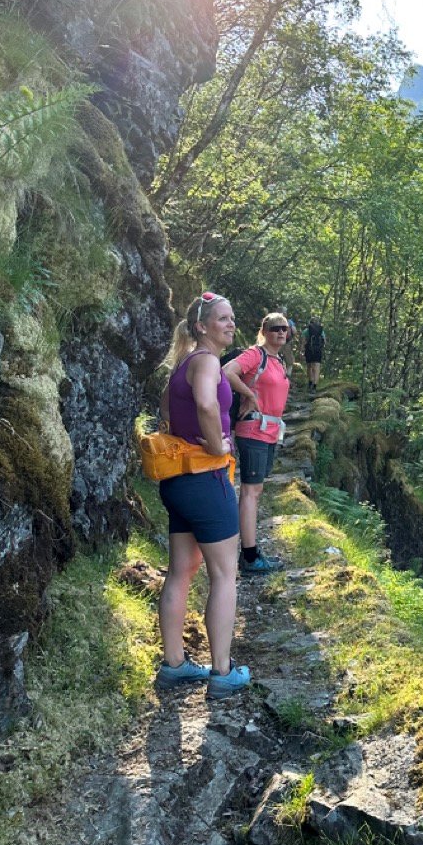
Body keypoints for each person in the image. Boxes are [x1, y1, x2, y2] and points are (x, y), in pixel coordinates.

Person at [154, 292, 251, 699]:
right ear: (201, 325)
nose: (230, 324)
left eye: (232, 318)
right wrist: (217, 446)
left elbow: (165, 411)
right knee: (225, 574)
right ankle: (223, 673)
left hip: (177, 479)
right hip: (205, 480)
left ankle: (174, 665)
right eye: (223, 319)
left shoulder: (184, 363)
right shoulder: (208, 362)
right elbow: (208, 406)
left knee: (181, 571)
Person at [222, 311, 292, 578]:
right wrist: (249, 394)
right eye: (275, 328)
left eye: (285, 328)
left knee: (257, 490)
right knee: (251, 491)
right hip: (253, 428)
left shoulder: (278, 360)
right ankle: (249, 556)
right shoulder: (256, 354)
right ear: (264, 330)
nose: (281, 333)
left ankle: (251, 551)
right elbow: (228, 372)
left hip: (270, 431)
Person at [302, 317, 325, 393]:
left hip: (309, 350)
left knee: (309, 366)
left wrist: (302, 350)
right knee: (317, 367)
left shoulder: (306, 331)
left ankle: (310, 382)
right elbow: (325, 341)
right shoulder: (321, 331)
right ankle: (315, 386)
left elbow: (304, 342)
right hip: (318, 350)